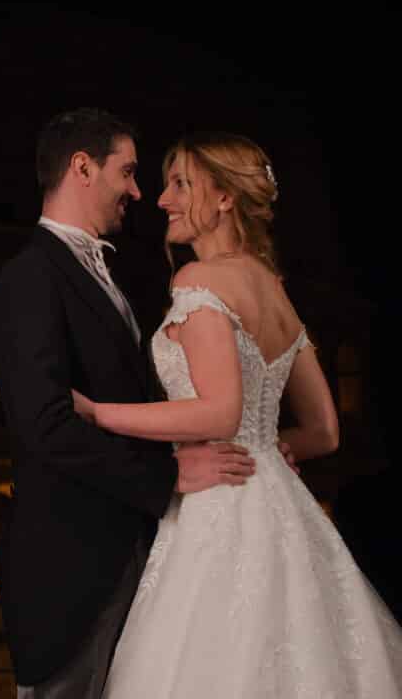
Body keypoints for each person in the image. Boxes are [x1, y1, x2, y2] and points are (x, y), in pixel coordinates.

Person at [68, 132, 402, 696]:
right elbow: (324, 430)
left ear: (225, 198)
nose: (162, 199)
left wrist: (99, 413)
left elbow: (220, 415)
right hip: (278, 504)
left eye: (181, 185)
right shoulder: (271, 287)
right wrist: (273, 450)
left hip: (220, 507)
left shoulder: (199, 280)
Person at [0, 109, 288, 698]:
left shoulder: (114, 276)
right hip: (72, 569)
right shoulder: (29, 276)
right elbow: (46, 427)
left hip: (140, 552)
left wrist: (253, 450)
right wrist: (168, 474)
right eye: (126, 172)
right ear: (82, 168)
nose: (138, 190)